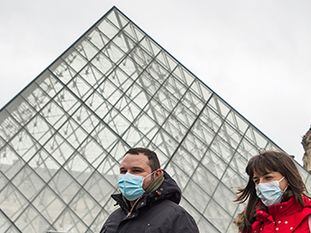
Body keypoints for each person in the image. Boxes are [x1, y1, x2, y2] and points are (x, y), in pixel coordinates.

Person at [100, 147, 199, 233]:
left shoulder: (176, 217)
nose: (127, 176)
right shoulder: (114, 218)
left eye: (136, 171)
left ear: (157, 174)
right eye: (123, 171)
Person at [234, 150, 311, 233]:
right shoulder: (252, 222)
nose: (261, 185)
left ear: (288, 178)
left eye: (268, 178)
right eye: (256, 181)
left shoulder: (307, 218)